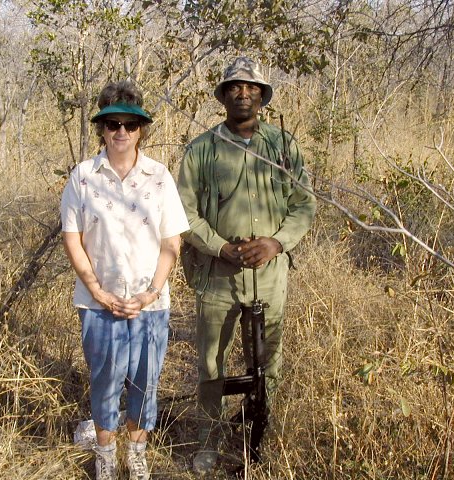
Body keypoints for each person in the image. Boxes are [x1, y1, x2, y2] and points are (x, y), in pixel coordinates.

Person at [177, 57, 317, 472]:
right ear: (223, 96)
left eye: (251, 88)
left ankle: (262, 437)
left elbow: (304, 205)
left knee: (268, 361)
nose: (243, 94)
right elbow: (182, 213)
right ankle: (208, 441)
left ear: (262, 96)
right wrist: (220, 247)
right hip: (218, 275)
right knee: (209, 362)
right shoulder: (201, 149)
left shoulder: (283, 145)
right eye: (235, 88)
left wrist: (276, 242)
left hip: (270, 275)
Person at [61, 81, 189, 480]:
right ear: (100, 126)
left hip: (150, 306)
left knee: (145, 384)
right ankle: (105, 456)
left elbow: (172, 241)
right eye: (112, 123)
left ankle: (136, 456)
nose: (121, 132)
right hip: (99, 305)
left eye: (130, 125)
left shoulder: (160, 176)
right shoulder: (83, 176)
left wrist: (150, 293)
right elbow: (74, 240)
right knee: (104, 381)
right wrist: (98, 291)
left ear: (141, 129)